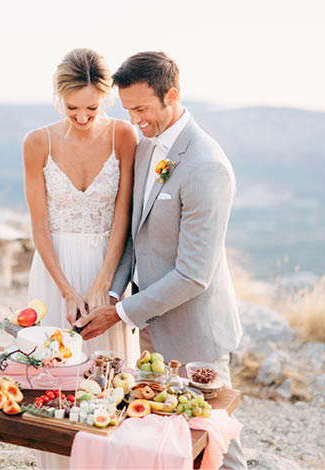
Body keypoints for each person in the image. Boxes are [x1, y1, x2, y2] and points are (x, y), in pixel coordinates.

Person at [75, 51, 247, 469]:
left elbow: (193, 275)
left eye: (142, 109)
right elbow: (139, 233)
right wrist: (113, 291)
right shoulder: (151, 146)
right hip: (148, 324)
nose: (134, 120)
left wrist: (119, 313)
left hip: (195, 334)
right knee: (167, 442)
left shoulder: (207, 166)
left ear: (171, 95)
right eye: (129, 109)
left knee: (217, 449)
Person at [23, 47, 140, 366]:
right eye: (72, 107)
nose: (83, 117)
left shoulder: (123, 136)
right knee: (50, 371)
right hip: (54, 271)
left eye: (92, 106)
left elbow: (122, 214)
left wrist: (104, 283)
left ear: (106, 96)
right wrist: (66, 291)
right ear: (59, 96)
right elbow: (39, 225)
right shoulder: (37, 142)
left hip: (107, 265)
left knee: (108, 376)